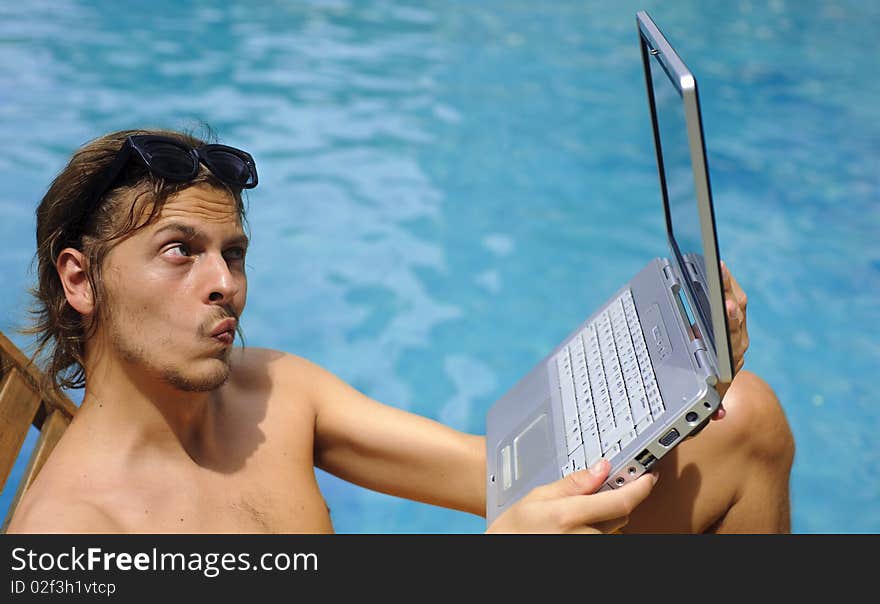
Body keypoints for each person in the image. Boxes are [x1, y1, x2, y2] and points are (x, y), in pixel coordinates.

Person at [6, 128, 794, 534]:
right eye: (181, 251)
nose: (226, 284)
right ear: (81, 280)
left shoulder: (270, 391)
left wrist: (670, 379)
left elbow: (500, 477)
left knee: (745, 418)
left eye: (233, 254)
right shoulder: (75, 536)